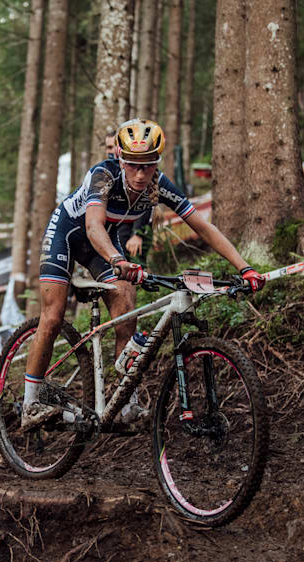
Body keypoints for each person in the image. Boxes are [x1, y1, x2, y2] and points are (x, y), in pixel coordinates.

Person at [21, 118, 265, 430]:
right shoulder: (103, 176)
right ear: (120, 159)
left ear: (156, 164)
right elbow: (94, 226)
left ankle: (126, 401)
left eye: (148, 166)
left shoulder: (159, 184)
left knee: (126, 300)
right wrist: (116, 259)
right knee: (53, 316)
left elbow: (203, 227)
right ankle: (31, 401)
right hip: (69, 236)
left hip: (103, 244)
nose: (140, 174)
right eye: (133, 165)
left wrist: (244, 267)